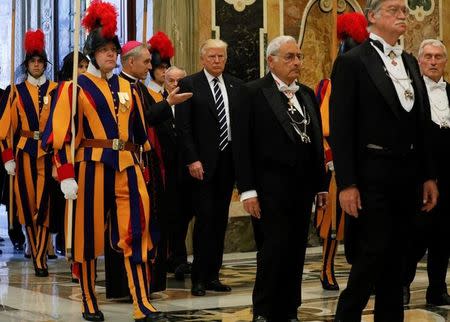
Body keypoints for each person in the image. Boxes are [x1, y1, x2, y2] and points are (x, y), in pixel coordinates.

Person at [41, 1, 168, 321]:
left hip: (127, 166)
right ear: (91, 54)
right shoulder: (74, 87)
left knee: (136, 232)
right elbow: (59, 136)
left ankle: (142, 301)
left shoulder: (129, 86)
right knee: (86, 236)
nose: (111, 54)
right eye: (104, 49)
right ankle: (88, 298)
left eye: (114, 49)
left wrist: (145, 167)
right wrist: (66, 173)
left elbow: (140, 132)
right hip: (91, 167)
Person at [329, 1, 439, 320]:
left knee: (400, 259)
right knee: (372, 254)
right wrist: (347, 183)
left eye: (405, 10)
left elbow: (421, 122)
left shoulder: (408, 61)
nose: (402, 14)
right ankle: (346, 316)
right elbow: (341, 126)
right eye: (394, 10)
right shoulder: (353, 62)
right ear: (372, 17)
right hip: (371, 175)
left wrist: (428, 176)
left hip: (407, 177)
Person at [234, 35, 328, 322]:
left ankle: (290, 309)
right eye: (289, 57)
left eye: (299, 56)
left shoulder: (307, 94)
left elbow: (314, 142)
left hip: (301, 189)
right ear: (270, 60)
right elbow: (241, 146)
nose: (297, 62)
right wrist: (247, 190)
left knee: (296, 250)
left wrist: (320, 186)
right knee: (272, 250)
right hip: (268, 188)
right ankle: (264, 309)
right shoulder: (252, 93)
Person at [119, 40, 192, 294]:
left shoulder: (141, 88)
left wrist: (167, 103)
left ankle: (150, 280)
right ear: (131, 62)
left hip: (150, 163)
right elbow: (140, 121)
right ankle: (131, 285)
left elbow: (150, 118)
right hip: (129, 163)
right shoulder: (121, 87)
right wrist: (168, 104)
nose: (151, 67)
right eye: (147, 62)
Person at [176, 39, 242, 296]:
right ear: (203, 59)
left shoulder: (236, 86)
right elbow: (183, 128)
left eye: (221, 56)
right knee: (204, 220)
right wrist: (192, 159)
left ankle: (214, 274)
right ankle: (199, 278)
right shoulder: (190, 84)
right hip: (201, 165)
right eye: (212, 57)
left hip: (228, 165)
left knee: (219, 221)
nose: (217, 61)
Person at [314, 12, 369, 291]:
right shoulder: (328, 86)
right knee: (331, 223)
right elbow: (324, 127)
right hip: (335, 158)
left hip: (365, 159)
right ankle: (326, 269)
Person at [0, 29, 58, 276]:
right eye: (32, 61)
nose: (36, 65)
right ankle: (37, 254)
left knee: (44, 206)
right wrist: (7, 157)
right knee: (27, 205)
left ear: (45, 64)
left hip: (48, 154)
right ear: (27, 64)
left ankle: (41, 256)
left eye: (40, 61)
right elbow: (5, 128)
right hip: (24, 154)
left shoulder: (58, 90)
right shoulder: (14, 91)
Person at [402, 39, 450, 306]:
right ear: (419, 61)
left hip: (449, 176)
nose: (433, 61)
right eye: (428, 57)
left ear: (445, 61)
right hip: (420, 176)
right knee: (417, 234)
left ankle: (437, 288)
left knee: (444, 236)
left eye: (438, 57)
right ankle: (402, 283)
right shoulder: (411, 93)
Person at [160, 66, 194, 281]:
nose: (175, 85)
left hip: (188, 168)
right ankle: (170, 257)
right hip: (166, 168)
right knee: (169, 215)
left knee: (185, 215)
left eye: (179, 81)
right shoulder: (159, 104)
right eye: (171, 80)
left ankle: (180, 257)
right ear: (165, 81)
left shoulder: (192, 103)